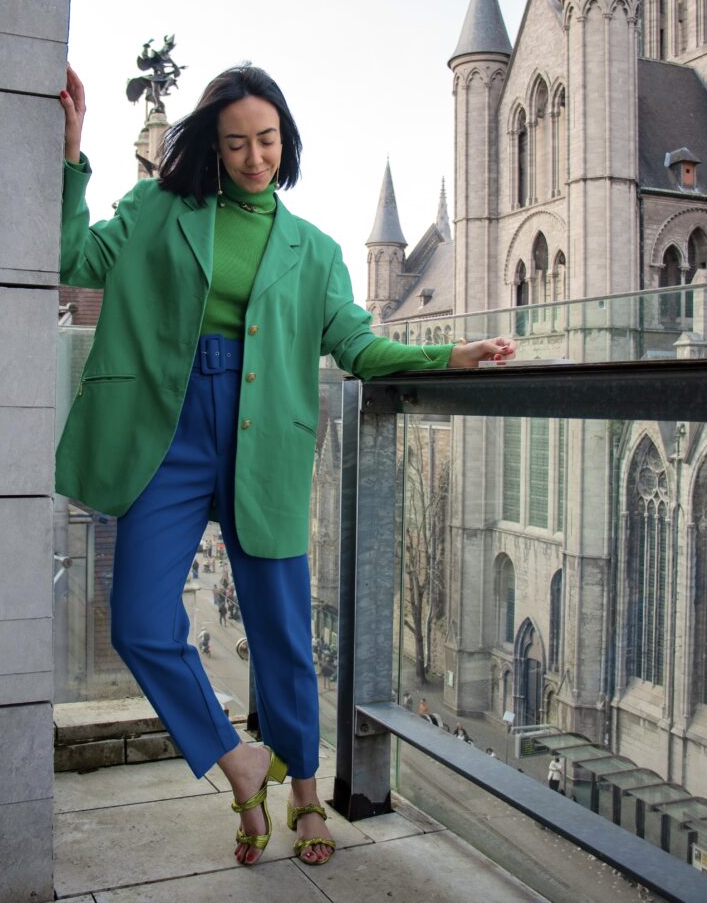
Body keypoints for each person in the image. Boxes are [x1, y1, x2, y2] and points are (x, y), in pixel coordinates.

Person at [58, 62, 515, 868]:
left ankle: (304, 791)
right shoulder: (157, 208)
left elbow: (359, 347)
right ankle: (238, 762)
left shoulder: (316, 251)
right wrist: (70, 156)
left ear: (286, 140)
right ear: (213, 145)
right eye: (236, 142)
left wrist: (449, 356)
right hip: (165, 433)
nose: (254, 157)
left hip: (265, 437)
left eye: (267, 139)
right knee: (138, 621)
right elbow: (74, 259)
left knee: (283, 634)